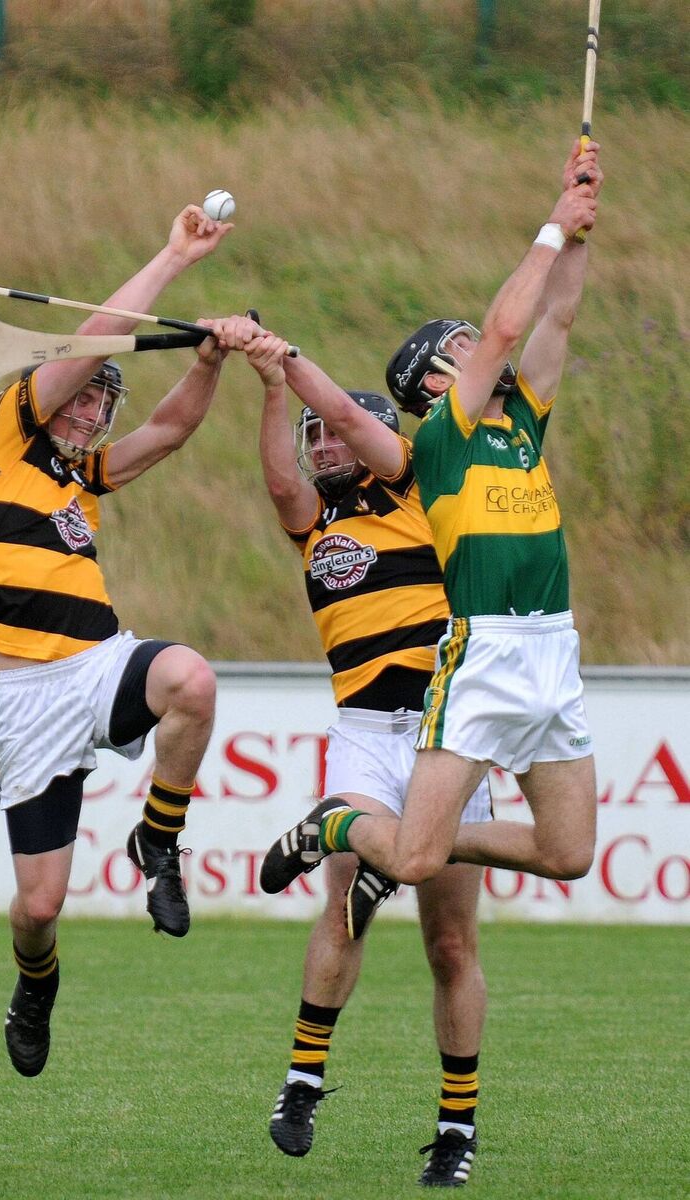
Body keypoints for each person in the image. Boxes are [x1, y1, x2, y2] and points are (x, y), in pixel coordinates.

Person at [257, 139, 603, 1185]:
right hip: (487, 658)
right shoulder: (441, 437)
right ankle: (336, 830)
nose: (478, 344)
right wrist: (546, 222)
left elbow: (555, 319)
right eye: (455, 346)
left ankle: (378, 838)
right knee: (406, 863)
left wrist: (583, 222)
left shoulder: (523, 426)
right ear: (438, 379)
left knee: (570, 855)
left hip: (558, 655)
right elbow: (504, 325)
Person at [208, 313, 492, 1185]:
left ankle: (456, 1130)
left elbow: (351, 413)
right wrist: (266, 387)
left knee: (449, 948)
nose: (322, 442)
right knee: (344, 910)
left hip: (449, 730)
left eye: (335, 430)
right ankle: (302, 1083)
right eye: (313, 436)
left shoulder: (418, 490)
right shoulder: (313, 526)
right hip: (367, 734)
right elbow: (276, 479)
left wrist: (292, 362)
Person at [0, 204, 232, 1077]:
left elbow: (173, 430)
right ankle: (35, 983)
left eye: (99, 397)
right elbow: (96, 336)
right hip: (27, 700)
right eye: (80, 389)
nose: (90, 405)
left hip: (100, 664)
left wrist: (207, 362)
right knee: (38, 909)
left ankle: (159, 838)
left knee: (191, 680)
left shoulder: (78, 478)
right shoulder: (4, 436)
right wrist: (172, 257)